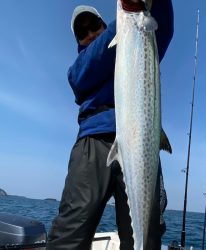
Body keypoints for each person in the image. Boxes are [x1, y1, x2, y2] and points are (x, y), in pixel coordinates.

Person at [46, 0, 173, 249]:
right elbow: (90, 65)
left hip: (143, 141)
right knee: (71, 231)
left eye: (94, 25)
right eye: (82, 32)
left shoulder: (140, 40)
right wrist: (129, 17)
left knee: (147, 236)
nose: (90, 33)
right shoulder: (78, 69)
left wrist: (150, 6)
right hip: (93, 144)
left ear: (103, 24)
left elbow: (163, 27)